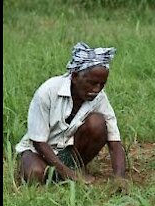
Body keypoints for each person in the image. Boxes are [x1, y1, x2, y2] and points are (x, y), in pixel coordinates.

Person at [15, 42, 127, 185]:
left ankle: (72, 170)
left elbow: (114, 141)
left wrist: (120, 178)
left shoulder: (99, 98)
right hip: (40, 151)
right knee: (34, 174)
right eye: (92, 83)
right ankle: (66, 175)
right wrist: (68, 174)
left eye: (102, 84)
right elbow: (38, 142)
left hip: (69, 151)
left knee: (97, 122)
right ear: (74, 77)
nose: (97, 89)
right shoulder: (48, 91)